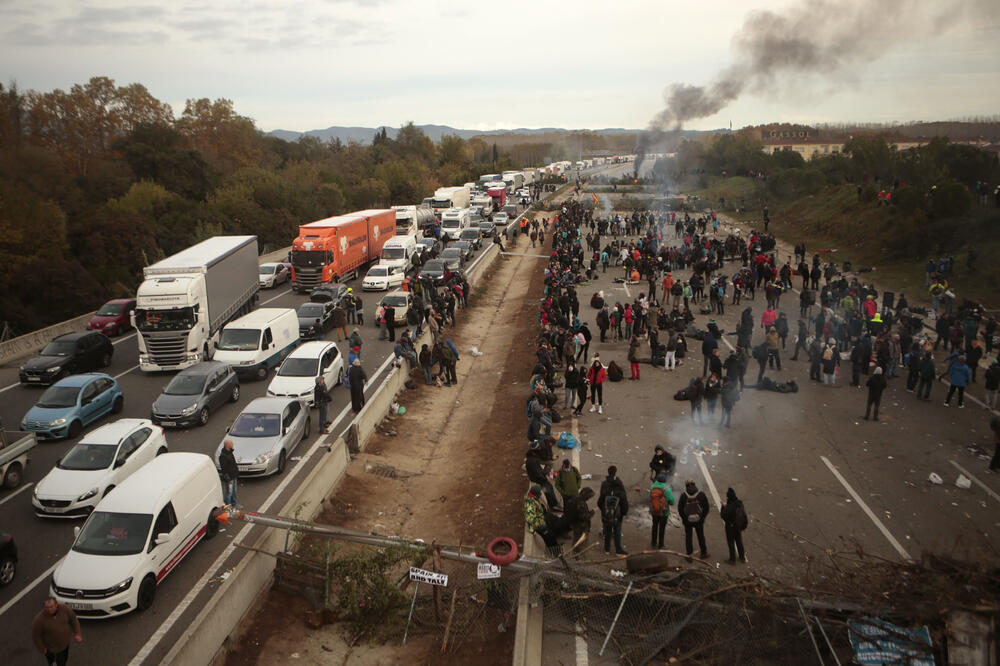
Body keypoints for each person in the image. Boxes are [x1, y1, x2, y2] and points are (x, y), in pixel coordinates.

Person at [32, 597, 82, 666]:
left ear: (56, 605)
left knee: (64, 660)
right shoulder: (39, 620)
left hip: (65, 645)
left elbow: (73, 619)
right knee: (58, 663)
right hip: (52, 650)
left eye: (51, 607)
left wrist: (77, 633)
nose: (49, 609)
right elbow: (36, 637)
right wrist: (44, 650)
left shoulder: (65, 609)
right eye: (47, 607)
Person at [598, 466, 629, 555]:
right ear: (615, 472)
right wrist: (624, 512)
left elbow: (600, 500)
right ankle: (618, 550)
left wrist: (603, 510)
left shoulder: (604, 484)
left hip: (606, 513)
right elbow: (623, 499)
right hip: (617, 514)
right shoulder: (619, 484)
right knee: (617, 532)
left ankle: (607, 549)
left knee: (607, 531)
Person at [677, 479, 710, 559]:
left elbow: (680, 509)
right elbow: (706, 507)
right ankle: (704, 552)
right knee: (701, 536)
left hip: (688, 520)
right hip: (699, 520)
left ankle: (689, 555)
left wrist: (684, 519)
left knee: (688, 537)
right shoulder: (701, 494)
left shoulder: (684, 495)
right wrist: (702, 518)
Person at [524, 485, 560, 555]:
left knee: (551, 536)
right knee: (550, 538)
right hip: (539, 524)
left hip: (541, 520)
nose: (540, 494)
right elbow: (529, 518)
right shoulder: (530, 504)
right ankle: (556, 553)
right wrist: (532, 530)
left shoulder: (532, 498)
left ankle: (556, 550)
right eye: (539, 493)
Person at [525, 439, 560, 510]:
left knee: (549, 486)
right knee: (547, 489)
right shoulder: (532, 461)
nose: (540, 449)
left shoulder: (532, 457)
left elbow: (539, 470)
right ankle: (552, 505)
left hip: (538, 476)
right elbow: (538, 473)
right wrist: (545, 477)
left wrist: (545, 475)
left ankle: (554, 503)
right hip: (536, 479)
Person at [719, 488, 748, 563]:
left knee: (731, 542)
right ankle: (742, 557)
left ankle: (732, 559)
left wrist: (723, 507)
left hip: (730, 527)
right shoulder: (739, 503)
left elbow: (724, 516)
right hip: (738, 526)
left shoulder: (731, 507)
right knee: (739, 541)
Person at [649, 472, 675, 550]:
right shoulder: (666, 489)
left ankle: (653, 542)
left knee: (654, 526)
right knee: (662, 528)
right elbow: (672, 501)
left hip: (654, 511)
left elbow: (650, 498)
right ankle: (661, 545)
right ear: (664, 481)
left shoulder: (652, 487)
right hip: (664, 512)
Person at [218, 438, 239, 507]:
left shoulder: (229, 452)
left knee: (234, 491)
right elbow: (224, 470)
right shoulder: (223, 456)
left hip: (233, 476)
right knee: (229, 493)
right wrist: (228, 479)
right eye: (231, 443)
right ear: (227, 445)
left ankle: (234, 504)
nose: (233, 444)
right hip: (230, 478)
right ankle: (228, 507)